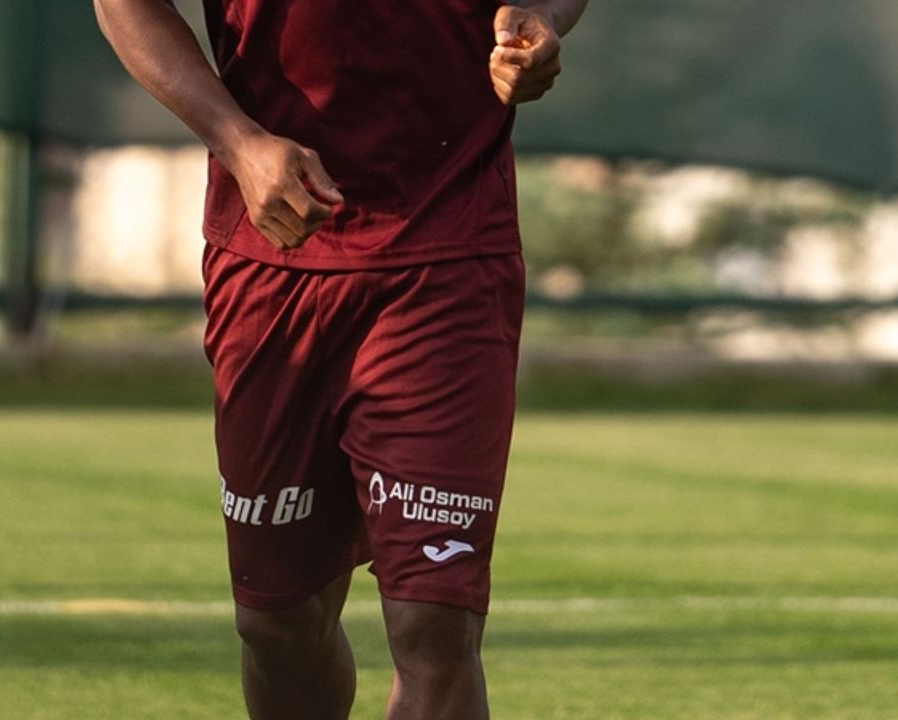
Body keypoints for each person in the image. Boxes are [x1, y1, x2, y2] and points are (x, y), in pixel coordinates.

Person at [92, 1, 587, 717]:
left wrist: (541, 15)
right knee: (277, 623)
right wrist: (238, 142)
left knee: (436, 625)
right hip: (270, 253)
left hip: (446, 251)